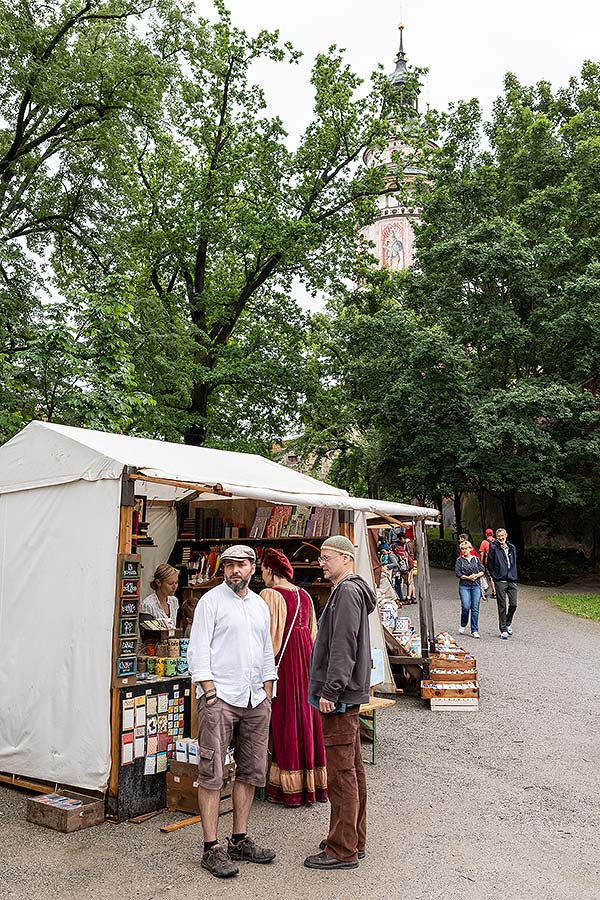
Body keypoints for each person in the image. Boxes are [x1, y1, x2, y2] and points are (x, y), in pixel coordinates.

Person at [187, 545, 277, 879]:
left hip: (255, 698)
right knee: (211, 771)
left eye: (240, 565)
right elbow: (197, 651)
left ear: (253, 567)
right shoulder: (211, 602)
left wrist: (268, 690)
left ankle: (239, 838)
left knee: (251, 770)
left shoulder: (259, 605)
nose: (233, 571)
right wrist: (209, 692)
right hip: (220, 697)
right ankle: (211, 847)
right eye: (228, 566)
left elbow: (266, 649)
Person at [304, 535, 375, 871]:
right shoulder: (351, 591)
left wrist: (331, 691)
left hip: (340, 697)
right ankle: (353, 838)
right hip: (348, 693)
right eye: (321, 557)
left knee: (341, 774)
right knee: (353, 769)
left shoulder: (347, 592)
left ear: (347, 558)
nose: (321, 562)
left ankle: (341, 848)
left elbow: (343, 646)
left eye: (326, 556)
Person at [259, 548, 327, 807]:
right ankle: (311, 783)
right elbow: (312, 632)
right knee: (307, 718)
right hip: (306, 662)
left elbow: (266, 637)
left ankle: (288, 788)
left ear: (270, 570)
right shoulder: (305, 595)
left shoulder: (270, 595)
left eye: (263, 569)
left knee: (286, 719)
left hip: (284, 664)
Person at [487, 528, 518, 640]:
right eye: (498, 536)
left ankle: (508, 623)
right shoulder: (494, 547)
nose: (500, 538)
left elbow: (514, 562)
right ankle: (503, 629)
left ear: (506, 535)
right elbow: (490, 562)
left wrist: (513, 574)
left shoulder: (511, 547)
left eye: (502, 535)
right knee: (502, 605)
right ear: (496, 537)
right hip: (500, 580)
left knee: (513, 604)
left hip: (512, 579)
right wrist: (494, 575)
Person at [454, 540, 485, 638]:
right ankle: (463, 623)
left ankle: (474, 629)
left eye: (466, 548)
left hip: (476, 585)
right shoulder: (459, 560)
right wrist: (468, 577)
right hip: (464, 586)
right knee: (466, 606)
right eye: (462, 549)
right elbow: (458, 573)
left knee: (475, 608)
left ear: (470, 549)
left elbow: (482, 570)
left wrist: (476, 575)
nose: (464, 551)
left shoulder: (476, 559)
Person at [139, 564, 179, 632]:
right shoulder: (148, 605)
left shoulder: (174, 601)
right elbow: (145, 634)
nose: (174, 587)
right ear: (158, 583)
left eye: (176, 582)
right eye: (170, 584)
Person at [479, 528, 497, 599]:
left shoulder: (484, 542)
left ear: (486, 534)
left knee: (491, 577)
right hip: (497, 562)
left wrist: (481, 563)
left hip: (489, 562)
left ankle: (494, 592)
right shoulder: (496, 541)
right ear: (493, 534)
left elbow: (482, 554)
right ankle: (498, 591)